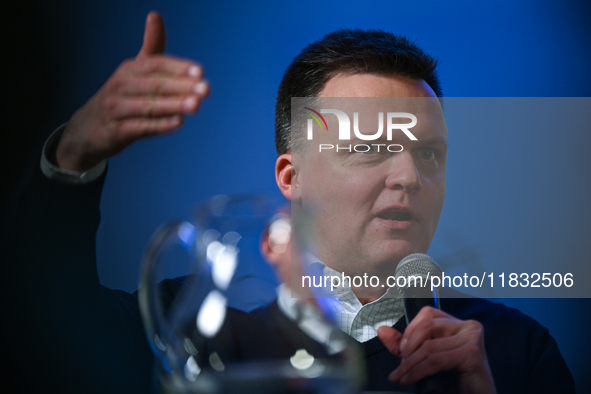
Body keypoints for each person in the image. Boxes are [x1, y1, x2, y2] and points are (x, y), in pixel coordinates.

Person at [8, 11, 575, 394]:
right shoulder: (191, 331)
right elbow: (31, 322)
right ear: (290, 174)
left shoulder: (515, 352)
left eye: (428, 154)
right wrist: (75, 153)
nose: (408, 174)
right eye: (370, 148)